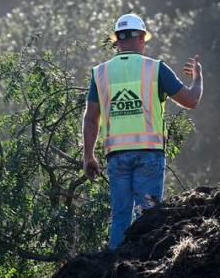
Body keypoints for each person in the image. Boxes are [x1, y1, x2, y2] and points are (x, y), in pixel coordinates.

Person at [82, 13, 202, 249]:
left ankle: (115, 271)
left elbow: (90, 119)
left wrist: (88, 156)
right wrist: (198, 78)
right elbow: (190, 101)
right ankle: (145, 270)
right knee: (149, 217)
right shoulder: (155, 68)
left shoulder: (101, 73)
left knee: (120, 218)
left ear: (117, 40)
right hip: (149, 154)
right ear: (141, 39)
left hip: (116, 156)